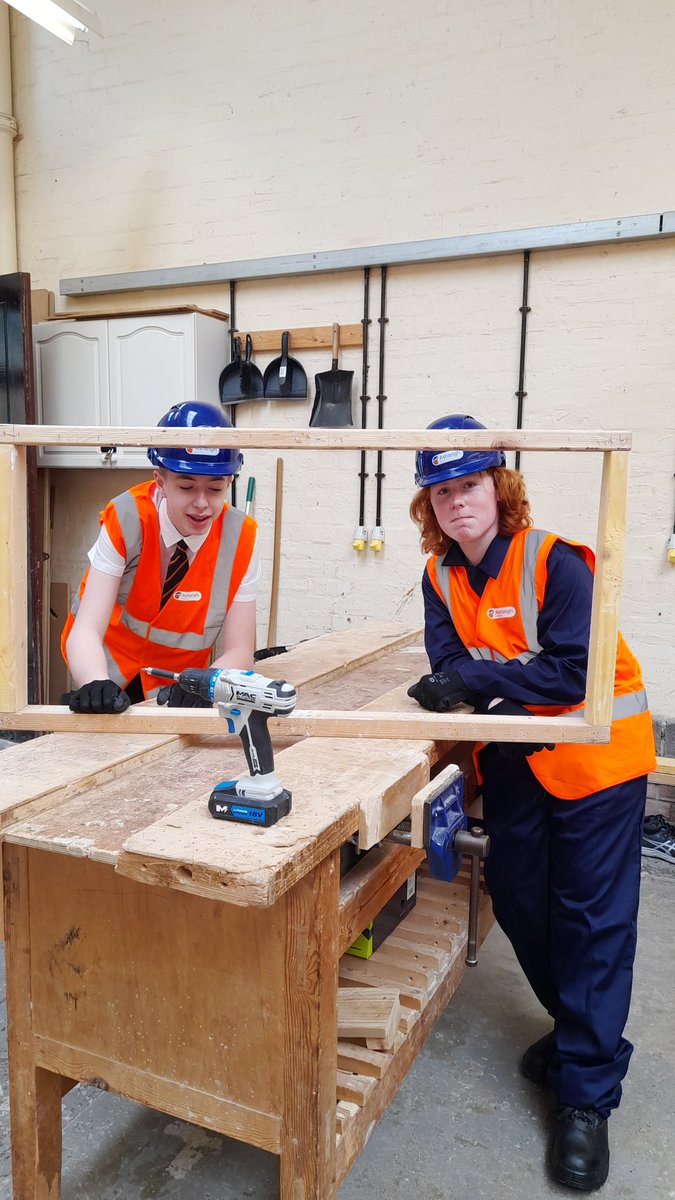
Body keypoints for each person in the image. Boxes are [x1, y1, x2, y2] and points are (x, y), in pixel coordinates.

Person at [407, 414, 656, 1193]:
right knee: (517, 902)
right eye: (441, 492)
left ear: (499, 487)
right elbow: (447, 657)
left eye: (470, 484)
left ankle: (585, 1094)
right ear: (428, 506)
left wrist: (474, 682)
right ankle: (588, 1032)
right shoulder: (439, 575)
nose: (457, 503)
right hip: (514, 759)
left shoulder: (555, 563)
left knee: (590, 920)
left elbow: (570, 675)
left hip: (595, 762)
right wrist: (455, 680)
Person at [61, 401, 259, 713]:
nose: (201, 503)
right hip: (106, 677)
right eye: (186, 486)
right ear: (160, 481)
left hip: (178, 691)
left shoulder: (242, 538)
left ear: (229, 483)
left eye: (215, 489)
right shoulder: (126, 517)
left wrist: (208, 685)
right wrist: (94, 682)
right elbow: (85, 630)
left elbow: (240, 650)